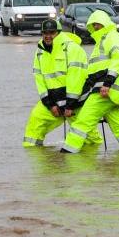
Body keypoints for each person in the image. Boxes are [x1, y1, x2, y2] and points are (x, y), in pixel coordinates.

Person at [61, 9, 119, 152]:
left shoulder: (112, 37)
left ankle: (67, 156)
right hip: (113, 93)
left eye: (98, 24)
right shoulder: (101, 42)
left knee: (82, 122)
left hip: (105, 90)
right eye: (94, 25)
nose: (96, 27)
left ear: (105, 23)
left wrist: (107, 83)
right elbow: (94, 72)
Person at [23, 18, 88, 148]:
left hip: (76, 103)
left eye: (51, 33)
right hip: (53, 102)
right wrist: (49, 104)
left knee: (88, 137)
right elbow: (39, 79)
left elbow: (76, 78)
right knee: (35, 123)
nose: (48, 36)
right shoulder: (40, 51)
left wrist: (70, 105)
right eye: (45, 33)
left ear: (59, 32)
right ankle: (36, 159)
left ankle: (91, 164)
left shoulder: (72, 49)